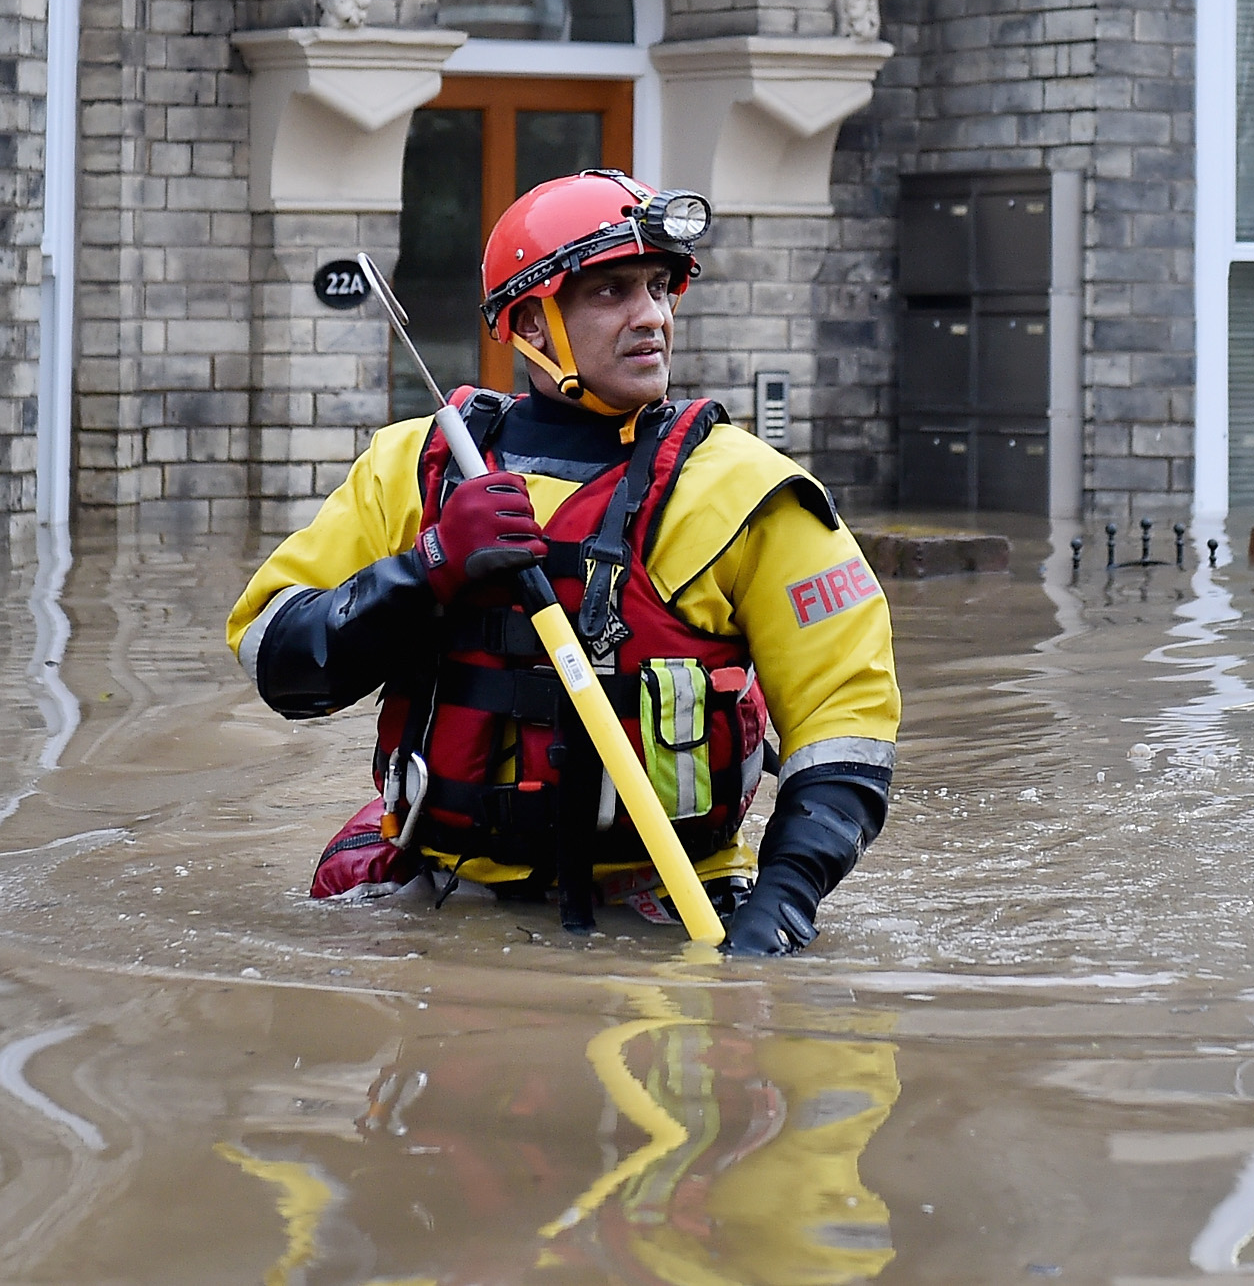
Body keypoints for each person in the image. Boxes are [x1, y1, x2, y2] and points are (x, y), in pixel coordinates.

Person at [225, 170, 900, 955]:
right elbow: (276, 660)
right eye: (611, 291)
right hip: (445, 890)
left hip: (663, 900)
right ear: (530, 325)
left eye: (660, 286)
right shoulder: (415, 469)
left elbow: (845, 730)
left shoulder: (751, 493)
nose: (652, 316)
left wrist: (784, 902)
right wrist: (431, 565)